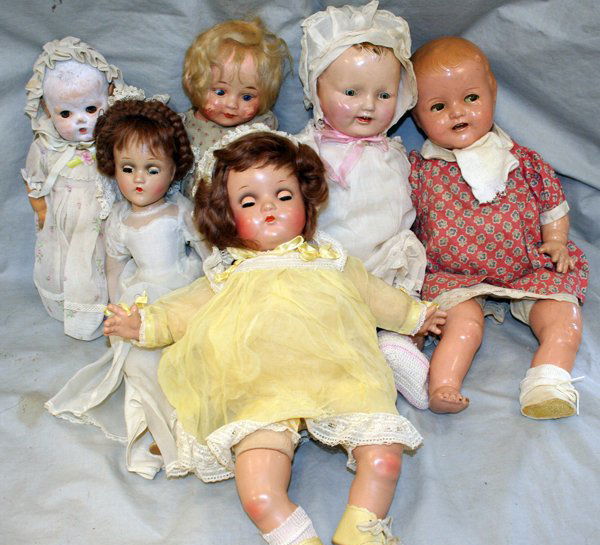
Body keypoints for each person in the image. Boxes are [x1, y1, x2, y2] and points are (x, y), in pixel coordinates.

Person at [104, 126, 446, 545]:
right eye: (249, 202)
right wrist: (143, 323)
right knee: (258, 487)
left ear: (306, 201)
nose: (269, 208)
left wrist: (416, 315)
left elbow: (377, 296)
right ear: (226, 216)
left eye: (283, 196)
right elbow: (180, 311)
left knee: (383, 454)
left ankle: (364, 523)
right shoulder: (227, 275)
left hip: (340, 373)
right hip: (257, 387)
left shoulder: (331, 260)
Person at [409, 36, 588, 418]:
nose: (457, 112)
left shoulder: (521, 159)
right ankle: (443, 385)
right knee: (462, 327)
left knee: (564, 316)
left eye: (471, 98)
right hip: (453, 275)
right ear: (417, 118)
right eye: (438, 106)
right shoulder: (420, 171)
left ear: (493, 93)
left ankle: (548, 380)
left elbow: (552, 204)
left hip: (527, 266)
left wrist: (556, 240)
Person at [45, 99, 208, 478]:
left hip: (182, 293)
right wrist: (116, 308)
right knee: (140, 363)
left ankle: (190, 425)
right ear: (113, 167)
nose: (139, 180)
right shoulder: (118, 218)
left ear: (173, 170)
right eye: (127, 168)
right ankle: (156, 429)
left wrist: (214, 291)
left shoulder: (180, 211)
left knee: (188, 358)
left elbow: (206, 254)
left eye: (152, 169)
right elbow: (115, 267)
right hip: (141, 300)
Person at [296, 0, 430, 408]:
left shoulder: (394, 151)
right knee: (312, 306)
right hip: (330, 261)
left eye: (383, 94)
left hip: (385, 260)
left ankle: (397, 344)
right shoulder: (305, 150)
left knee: (407, 271)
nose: (368, 105)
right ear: (317, 90)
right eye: (351, 92)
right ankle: (339, 358)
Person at [22, 37, 125, 340]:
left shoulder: (112, 140)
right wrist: (41, 210)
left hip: (104, 217)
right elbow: (34, 179)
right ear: (47, 109)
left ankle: (109, 304)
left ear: (109, 97)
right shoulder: (46, 146)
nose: (80, 121)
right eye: (65, 114)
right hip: (64, 219)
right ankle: (70, 306)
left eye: (91, 108)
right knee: (66, 261)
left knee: (103, 260)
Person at [180, 17, 291, 196]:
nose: (232, 105)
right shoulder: (183, 126)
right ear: (196, 84)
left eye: (247, 97)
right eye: (220, 92)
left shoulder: (260, 127)